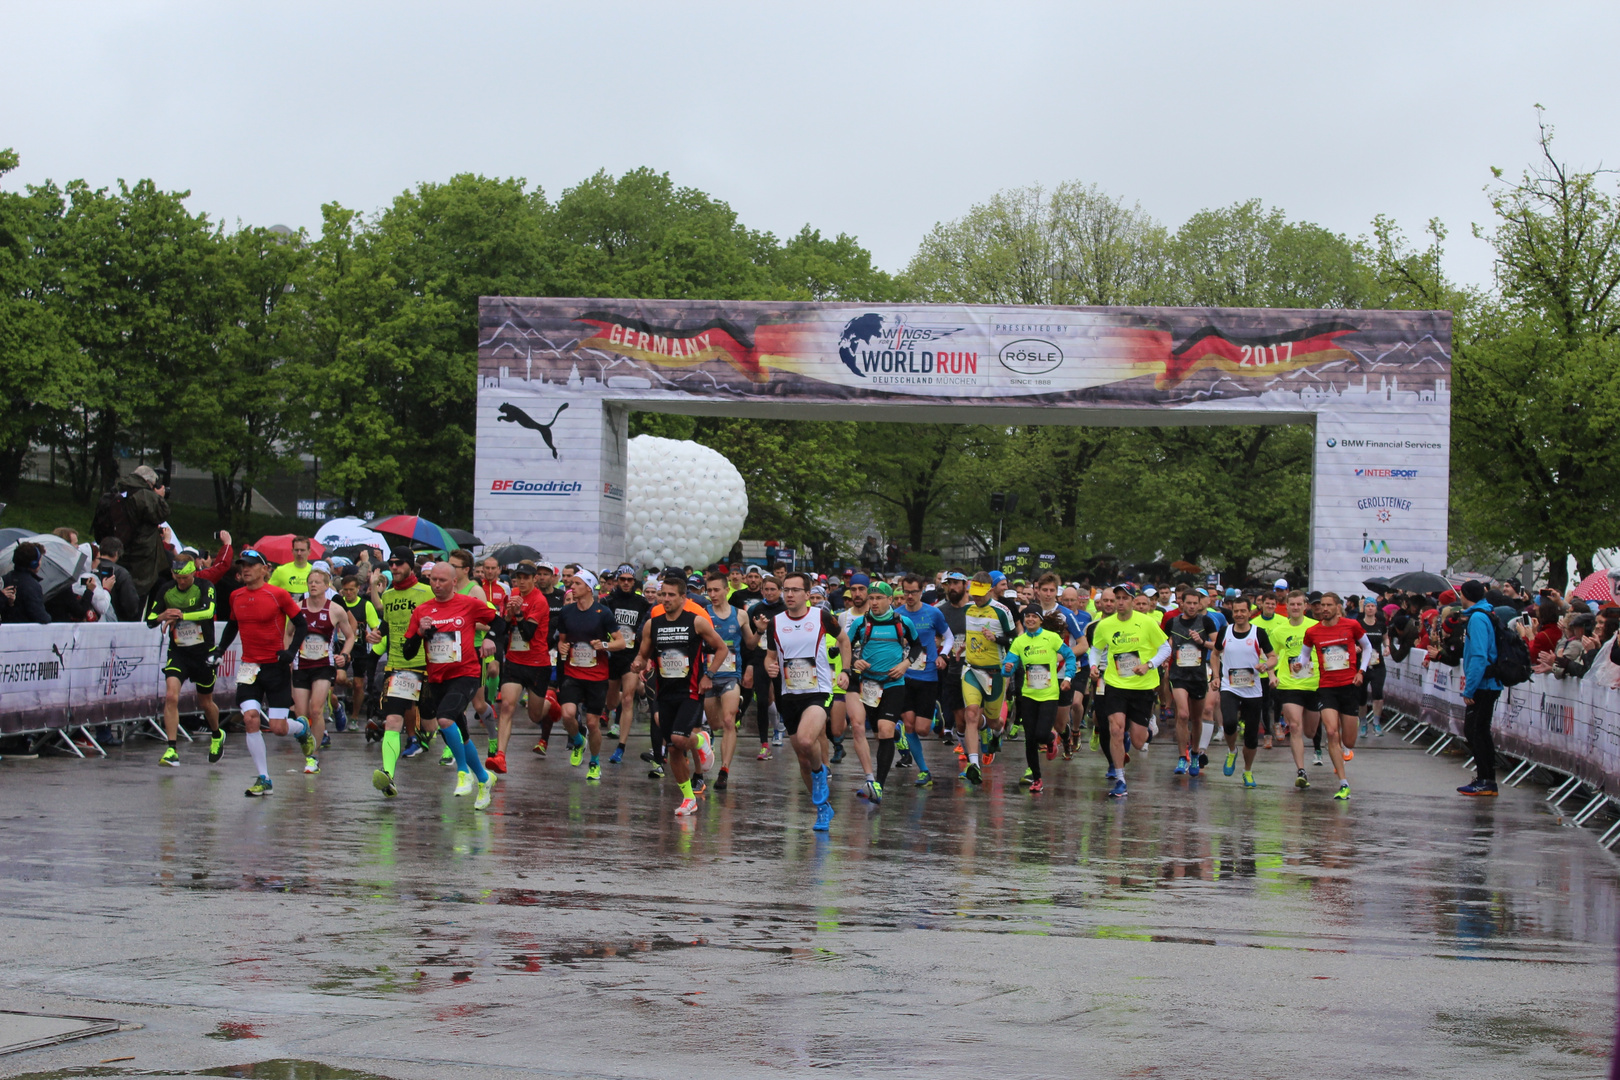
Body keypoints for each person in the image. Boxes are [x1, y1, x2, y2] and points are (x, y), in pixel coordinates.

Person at [391, 563, 503, 810]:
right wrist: (420, 632)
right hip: (438, 678)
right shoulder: (422, 611)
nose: (437, 585)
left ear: (454, 582)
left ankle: (463, 772)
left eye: (442, 580)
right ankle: (484, 780)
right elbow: (408, 653)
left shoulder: (469, 603)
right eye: (433, 580)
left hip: (467, 673)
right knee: (461, 735)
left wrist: (490, 641)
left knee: (444, 719)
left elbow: (499, 622)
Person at [212, 549, 312, 797]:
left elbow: (301, 624)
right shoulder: (236, 596)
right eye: (242, 565)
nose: (245, 569)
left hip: (275, 667)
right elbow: (232, 626)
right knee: (251, 719)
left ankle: (300, 728)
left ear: (264, 569)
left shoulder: (277, 594)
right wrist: (219, 651)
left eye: (251, 565)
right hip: (249, 667)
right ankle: (264, 777)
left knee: (278, 728)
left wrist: (290, 651)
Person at [634, 573, 729, 817]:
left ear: (683, 597)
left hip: (691, 691)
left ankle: (701, 740)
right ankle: (689, 798)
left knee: (678, 740)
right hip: (665, 693)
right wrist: (638, 663)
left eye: (671, 595)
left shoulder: (696, 621)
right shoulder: (652, 624)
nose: (665, 599)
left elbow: (721, 648)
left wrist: (709, 675)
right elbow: (643, 654)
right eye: (662, 594)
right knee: (674, 750)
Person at [763, 572, 850, 832]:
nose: (789, 595)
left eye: (795, 590)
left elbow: (844, 641)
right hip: (788, 694)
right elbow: (770, 657)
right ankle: (822, 809)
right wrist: (769, 668)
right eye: (786, 590)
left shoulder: (821, 617)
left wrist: (846, 671)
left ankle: (820, 775)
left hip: (818, 692)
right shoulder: (775, 623)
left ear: (806, 593)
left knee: (805, 740)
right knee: (802, 758)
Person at [1087, 584, 1171, 799]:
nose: (1121, 602)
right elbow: (1095, 649)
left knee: (1138, 741)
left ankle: (1147, 727)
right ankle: (1120, 778)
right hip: (1115, 684)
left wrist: (1149, 665)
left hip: (1142, 686)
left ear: (1133, 601)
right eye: (1118, 598)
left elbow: (1166, 648)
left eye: (1125, 598)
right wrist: (1093, 667)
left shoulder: (1147, 623)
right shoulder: (1105, 625)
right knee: (1115, 729)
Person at [846, 582, 923, 803]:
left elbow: (917, 646)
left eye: (879, 598)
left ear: (890, 600)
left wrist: (906, 664)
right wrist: (855, 660)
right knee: (879, 733)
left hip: (893, 684)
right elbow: (846, 647)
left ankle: (878, 785)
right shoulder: (861, 624)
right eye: (872, 598)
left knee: (884, 729)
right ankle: (897, 734)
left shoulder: (903, 622)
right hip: (869, 685)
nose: (874, 602)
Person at [145, 553, 225, 767]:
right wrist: (164, 615)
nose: (181, 582)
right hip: (179, 652)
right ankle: (171, 748)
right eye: (178, 578)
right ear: (173, 574)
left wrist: (181, 615)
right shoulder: (166, 590)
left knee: (205, 702)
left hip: (203, 652)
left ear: (193, 572)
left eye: (186, 578)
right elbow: (150, 619)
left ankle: (217, 734)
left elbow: (208, 611)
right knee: (171, 695)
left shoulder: (205, 585)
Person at [553, 569, 628, 781]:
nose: (571, 587)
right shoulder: (567, 612)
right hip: (572, 672)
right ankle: (578, 740)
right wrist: (562, 648)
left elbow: (621, 642)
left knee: (593, 723)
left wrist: (603, 645)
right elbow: (562, 640)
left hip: (597, 675)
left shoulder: (602, 613)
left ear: (588, 587)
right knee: (567, 714)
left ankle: (594, 762)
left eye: (576, 583)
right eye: (571, 583)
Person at [370, 552, 436, 780]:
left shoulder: (428, 592)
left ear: (411, 566)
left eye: (400, 563)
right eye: (392, 563)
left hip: (426, 665)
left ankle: (454, 750)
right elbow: (387, 625)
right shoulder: (387, 596)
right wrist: (377, 634)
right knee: (392, 720)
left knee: (431, 723)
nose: (394, 567)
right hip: (397, 665)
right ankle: (388, 773)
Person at [1300, 592, 1370, 801]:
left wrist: (1361, 671)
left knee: (1348, 740)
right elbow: (1305, 654)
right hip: (1326, 687)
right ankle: (1343, 783)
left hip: (1349, 686)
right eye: (1322, 605)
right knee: (1331, 732)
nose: (1325, 609)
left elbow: (1367, 647)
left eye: (1329, 605)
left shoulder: (1351, 626)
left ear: (1338, 607)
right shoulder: (1312, 631)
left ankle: (1347, 746)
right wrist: (1299, 664)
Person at [1003, 609, 1076, 793]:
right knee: (1030, 739)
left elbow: (1070, 656)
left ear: (1041, 620)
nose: (1030, 619)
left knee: (1041, 734)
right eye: (1027, 616)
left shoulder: (1051, 638)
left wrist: (1067, 677)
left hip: (1049, 695)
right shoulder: (1019, 641)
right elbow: (1007, 667)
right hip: (1028, 695)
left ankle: (1051, 739)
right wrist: (1008, 668)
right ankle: (1037, 779)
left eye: (1034, 616)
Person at [290, 567, 354, 773]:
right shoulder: (297, 609)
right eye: (310, 582)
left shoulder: (335, 609)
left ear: (327, 586)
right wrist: (289, 657)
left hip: (323, 666)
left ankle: (313, 756)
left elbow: (350, 636)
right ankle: (308, 746)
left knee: (316, 710)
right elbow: (288, 633)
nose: (313, 585)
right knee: (302, 715)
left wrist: (344, 654)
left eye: (318, 582)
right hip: (301, 665)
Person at [496, 560, 560, 765]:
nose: (521, 582)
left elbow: (528, 635)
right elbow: (503, 629)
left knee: (534, 715)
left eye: (526, 578)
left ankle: (550, 703)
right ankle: (500, 757)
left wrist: (519, 614)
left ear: (534, 580)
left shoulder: (539, 601)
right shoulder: (513, 594)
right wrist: (507, 616)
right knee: (507, 706)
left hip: (537, 663)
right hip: (514, 661)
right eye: (519, 578)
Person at [1211, 595, 1276, 787]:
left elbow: (1273, 657)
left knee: (1251, 737)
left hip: (1252, 690)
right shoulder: (1225, 632)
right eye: (1236, 611)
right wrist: (1215, 676)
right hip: (1229, 686)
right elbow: (1215, 654)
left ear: (1249, 612)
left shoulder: (1259, 633)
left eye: (1242, 611)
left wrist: (1266, 665)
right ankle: (1232, 751)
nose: (1239, 614)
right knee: (1229, 722)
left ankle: (1247, 771)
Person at [959, 572, 1016, 786]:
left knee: (993, 721)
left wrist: (997, 639)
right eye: (974, 594)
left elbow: (1014, 640)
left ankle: (997, 731)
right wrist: (964, 646)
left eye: (981, 594)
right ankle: (973, 764)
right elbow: (969, 633)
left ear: (991, 590)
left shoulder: (1002, 611)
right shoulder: (968, 609)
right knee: (971, 714)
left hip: (994, 674)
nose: (977, 598)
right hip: (972, 670)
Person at [897, 572, 953, 786]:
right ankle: (924, 771)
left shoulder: (933, 613)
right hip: (904, 675)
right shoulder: (897, 614)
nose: (909, 596)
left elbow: (948, 637)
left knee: (922, 729)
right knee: (909, 725)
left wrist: (943, 655)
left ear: (922, 591)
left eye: (914, 592)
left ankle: (935, 713)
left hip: (928, 675)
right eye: (906, 592)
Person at [701, 570, 751, 790]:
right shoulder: (702, 615)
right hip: (708, 677)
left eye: (716, 590)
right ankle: (708, 741)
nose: (712, 594)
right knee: (715, 724)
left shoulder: (740, 615)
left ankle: (724, 770)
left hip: (731, 674)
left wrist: (758, 631)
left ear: (726, 590)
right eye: (709, 590)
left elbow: (750, 644)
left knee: (729, 721)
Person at [1458, 578, 1505, 796]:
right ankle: (1485, 777)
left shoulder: (1477, 618)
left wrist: (1470, 688)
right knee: (1478, 731)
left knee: (1477, 731)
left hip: (1484, 683)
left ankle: (1486, 779)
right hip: (1488, 682)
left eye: (1462, 594)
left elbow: (1478, 655)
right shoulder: (1485, 614)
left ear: (1466, 595)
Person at [1165, 588, 1219, 776]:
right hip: (1178, 674)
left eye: (1195, 603)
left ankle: (1195, 753)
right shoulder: (1172, 622)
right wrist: (1165, 655)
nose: (1192, 606)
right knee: (1183, 714)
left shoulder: (1205, 621)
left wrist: (1202, 642)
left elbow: (1219, 644)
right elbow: (1163, 643)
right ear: (1182, 603)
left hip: (1198, 674)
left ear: (1200, 603)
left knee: (1197, 718)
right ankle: (1182, 757)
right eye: (1189, 603)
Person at [601, 564, 652, 764]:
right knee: (611, 702)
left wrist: (644, 657)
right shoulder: (607, 602)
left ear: (634, 582)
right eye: (622, 579)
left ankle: (621, 746)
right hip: (612, 655)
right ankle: (641, 690)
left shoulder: (641, 603)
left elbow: (647, 631)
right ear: (616, 581)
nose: (626, 583)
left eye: (630, 580)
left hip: (632, 656)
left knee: (627, 700)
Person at [1271, 590, 1321, 790]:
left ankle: (1310, 752)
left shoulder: (1315, 627)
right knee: (1295, 726)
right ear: (1287, 606)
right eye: (1292, 604)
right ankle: (1301, 771)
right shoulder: (1279, 631)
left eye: (1299, 604)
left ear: (1305, 606)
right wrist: (1273, 674)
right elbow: (1271, 655)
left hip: (1313, 683)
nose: (1295, 608)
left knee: (1310, 731)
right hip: (1289, 684)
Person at [118, 465, 171, 598]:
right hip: (142, 554)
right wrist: (158, 497)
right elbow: (163, 513)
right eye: (153, 484)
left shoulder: (120, 488)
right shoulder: (144, 495)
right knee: (142, 591)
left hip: (122, 547)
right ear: (148, 481)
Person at [95, 537, 142, 622]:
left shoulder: (90, 567)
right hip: (114, 621)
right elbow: (131, 605)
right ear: (117, 553)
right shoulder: (121, 573)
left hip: (90, 619)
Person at [2, 543, 50, 624]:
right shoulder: (31, 585)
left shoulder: (4, 579)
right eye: (40, 560)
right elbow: (40, 616)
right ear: (34, 563)